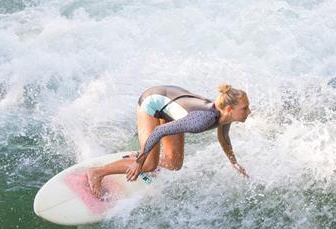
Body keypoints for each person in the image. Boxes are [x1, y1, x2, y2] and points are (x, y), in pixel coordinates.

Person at [87, 84, 251, 197]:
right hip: (152, 103)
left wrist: (235, 164)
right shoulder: (201, 120)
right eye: (244, 108)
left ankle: (141, 155)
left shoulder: (224, 116)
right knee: (148, 165)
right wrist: (139, 162)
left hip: (169, 107)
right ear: (230, 109)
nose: (249, 111)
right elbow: (159, 131)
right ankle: (97, 172)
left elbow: (224, 138)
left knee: (174, 163)